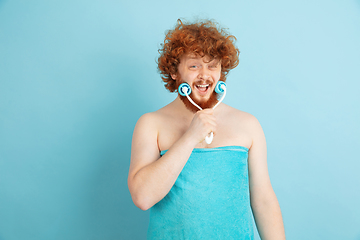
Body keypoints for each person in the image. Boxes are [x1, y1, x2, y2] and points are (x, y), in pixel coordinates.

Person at [128, 19, 286, 239]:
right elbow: (142, 197)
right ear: (175, 72)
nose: (205, 74)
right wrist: (190, 138)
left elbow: (263, 200)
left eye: (212, 65)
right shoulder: (151, 124)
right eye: (194, 66)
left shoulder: (248, 125)